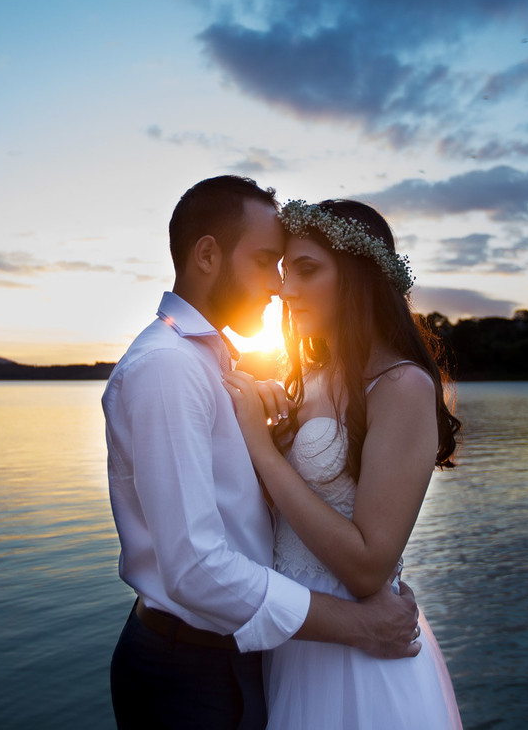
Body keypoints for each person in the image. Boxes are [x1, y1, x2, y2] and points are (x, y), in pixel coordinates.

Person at [103, 177, 424, 729]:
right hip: (193, 671)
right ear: (208, 255)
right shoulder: (168, 368)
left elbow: (240, 511)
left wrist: (270, 440)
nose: (279, 287)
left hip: (256, 653)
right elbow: (196, 568)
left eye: (295, 268)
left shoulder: (213, 362)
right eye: (268, 261)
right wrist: (361, 625)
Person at [222, 198, 463, 729]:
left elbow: (368, 566)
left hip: (356, 658)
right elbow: (280, 513)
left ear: (358, 277)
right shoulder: (309, 380)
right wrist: (265, 419)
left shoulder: (401, 387)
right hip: (298, 639)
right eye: (285, 273)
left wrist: (262, 451)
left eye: (307, 271)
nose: (286, 289)